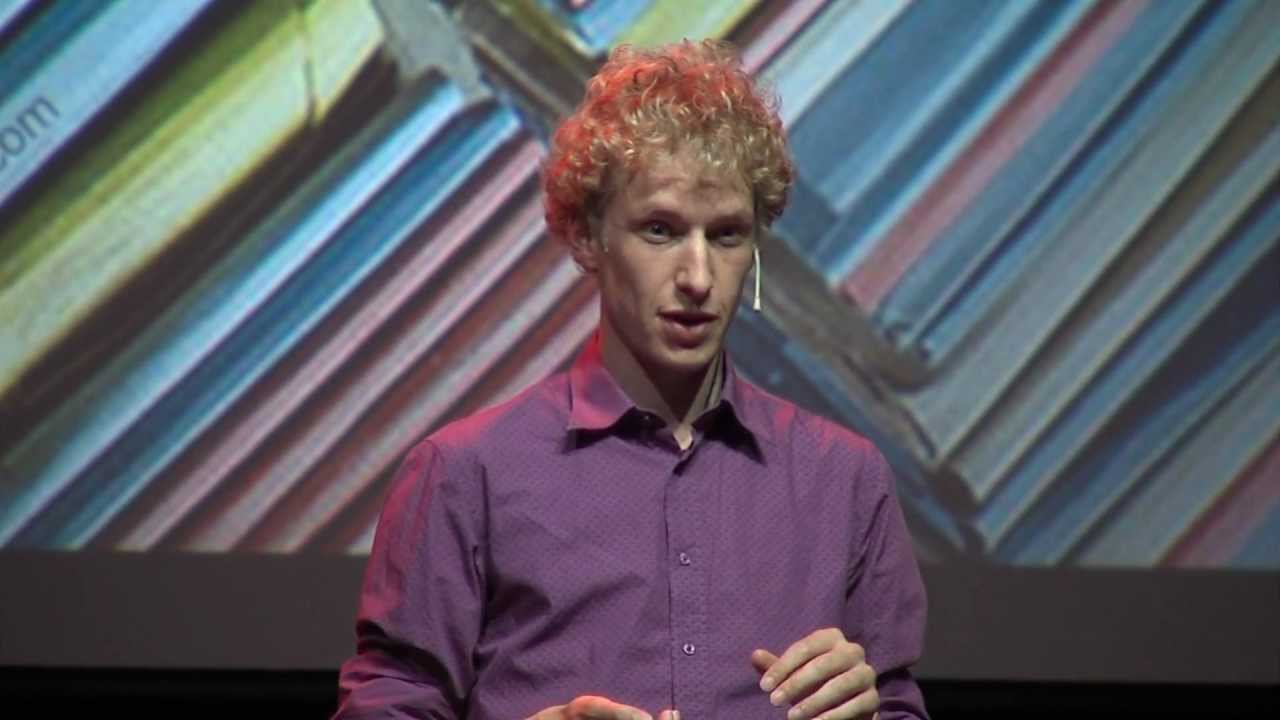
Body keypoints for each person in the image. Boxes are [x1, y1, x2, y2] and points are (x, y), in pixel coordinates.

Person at [335, 40, 929, 720]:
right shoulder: (466, 475)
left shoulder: (843, 480)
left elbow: (896, 704)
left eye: (727, 235)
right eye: (660, 230)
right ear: (588, 237)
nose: (698, 277)